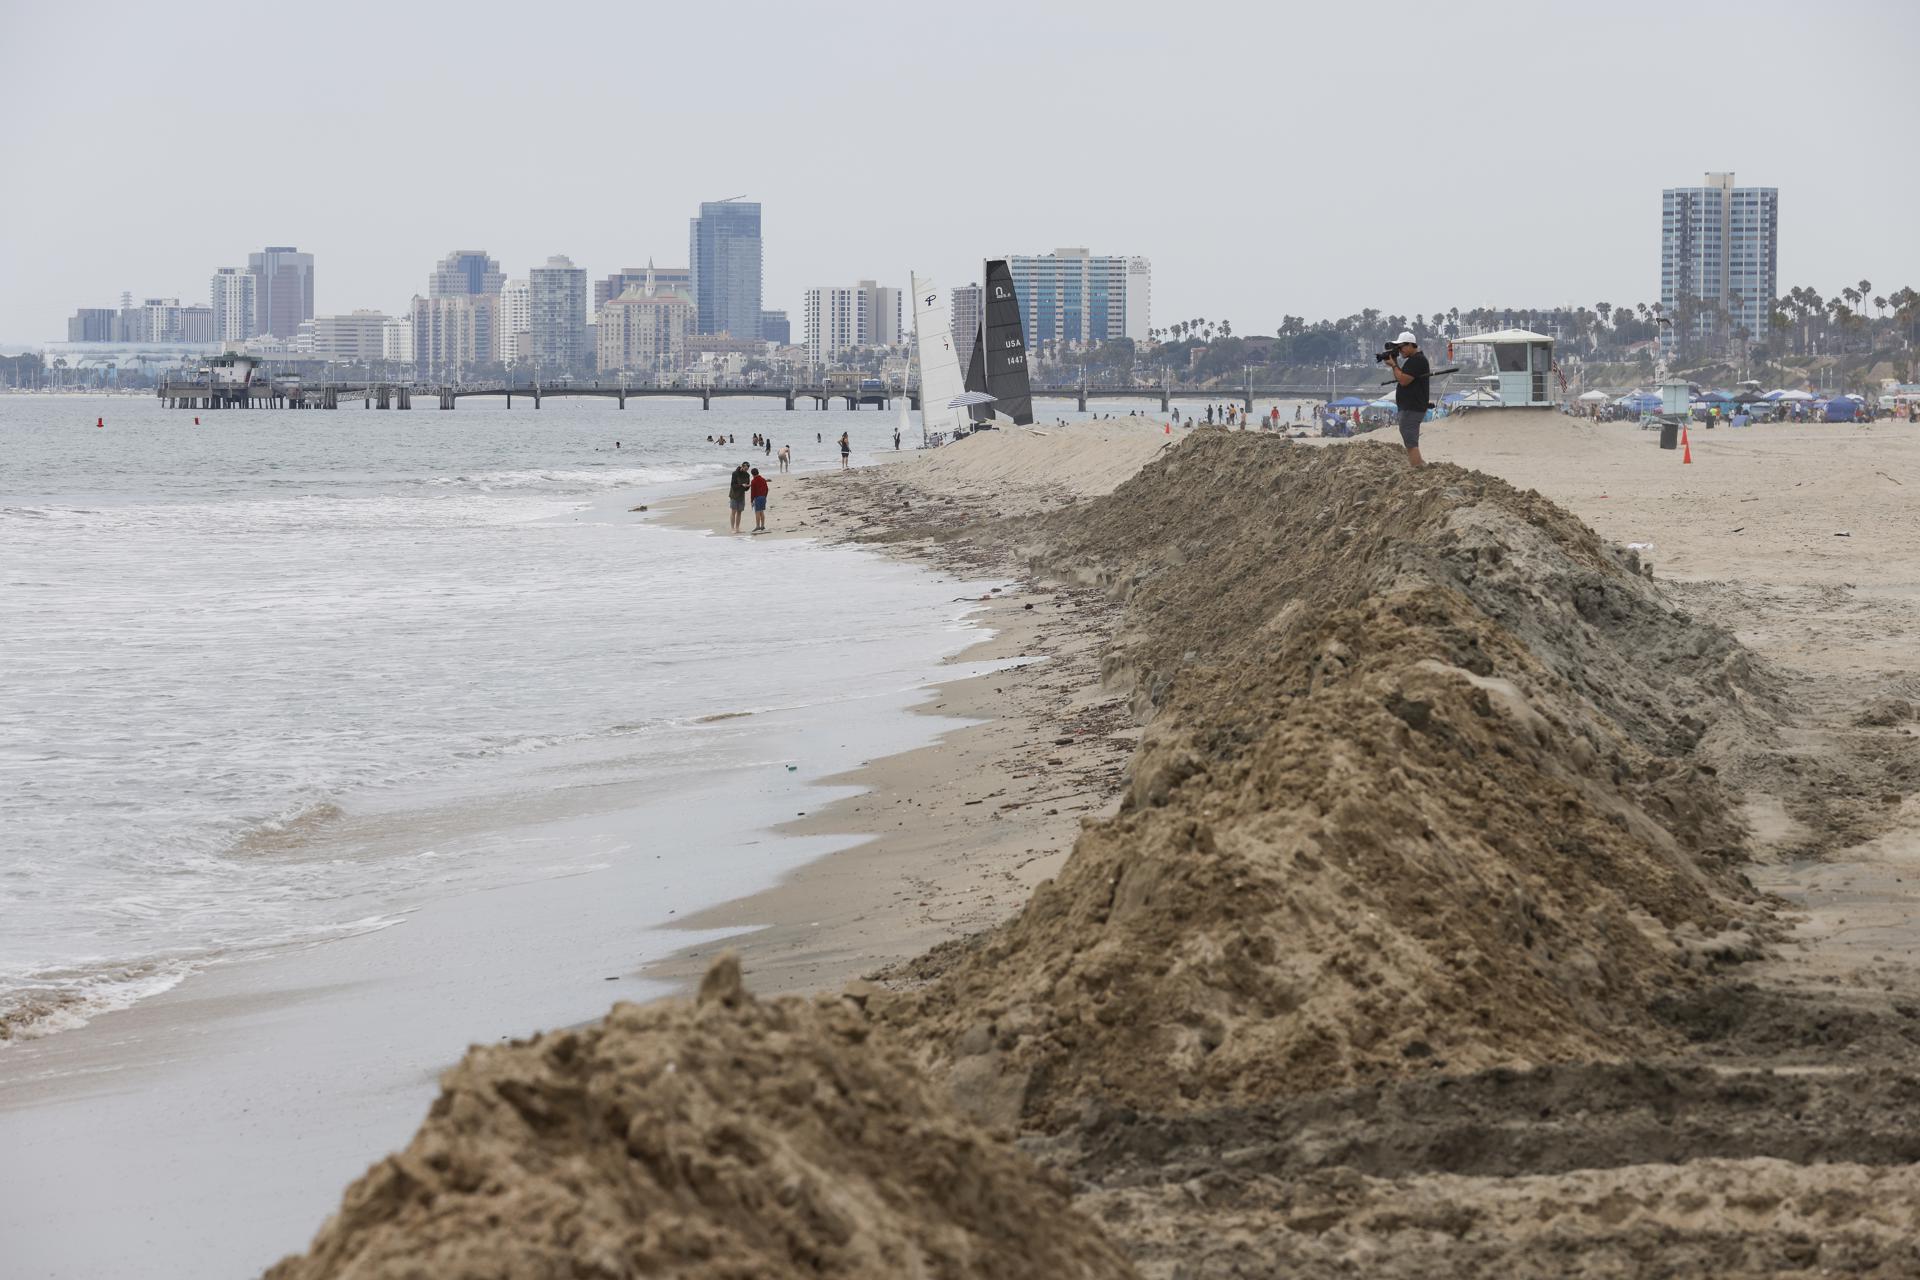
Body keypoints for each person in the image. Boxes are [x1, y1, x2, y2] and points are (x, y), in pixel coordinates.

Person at [1383, 329, 1431, 468]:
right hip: (1411, 407)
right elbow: (1401, 376)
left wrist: (1393, 365)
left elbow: (1403, 380)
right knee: (1410, 440)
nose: (1400, 350)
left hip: (1412, 407)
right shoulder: (1414, 360)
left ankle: (1418, 468)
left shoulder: (1417, 360)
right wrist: (1395, 364)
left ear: (1411, 345)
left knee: (1410, 442)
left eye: (1402, 347)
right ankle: (1420, 464)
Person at [727, 460, 751, 532]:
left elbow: (746, 489)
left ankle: (737, 528)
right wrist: (741, 485)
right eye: (745, 468)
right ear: (742, 466)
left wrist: (748, 486)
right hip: (734, 494)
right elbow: (733, 485)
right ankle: (732, 528)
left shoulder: (747, 475)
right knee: (733, 511)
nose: (746, 470)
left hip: (741, 495)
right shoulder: (735, 473)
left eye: (747, 469)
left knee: (739, 512)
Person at [748, 466, 770, 533]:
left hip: (757, 497)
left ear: (752, 474)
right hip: (763, 497)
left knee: (757, 512)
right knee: (762, 512)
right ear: (758, 472)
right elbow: (766, 489)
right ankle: (762, 526)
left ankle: (758, 526)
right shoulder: (763, 479)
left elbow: (753, 492)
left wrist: (751, 501)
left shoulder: (753, 481)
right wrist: (765, 496)